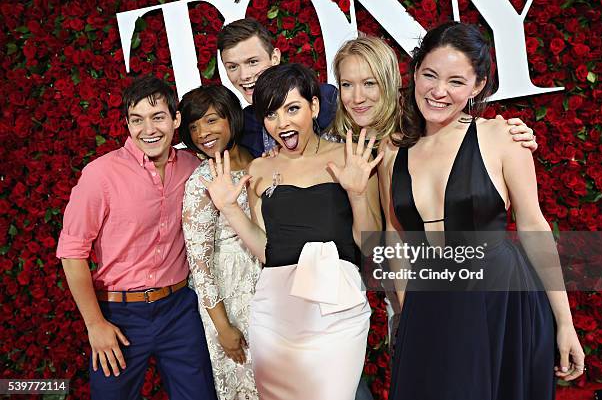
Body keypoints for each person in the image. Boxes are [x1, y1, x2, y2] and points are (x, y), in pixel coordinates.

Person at [373, 22, 584, 399]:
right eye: (430, 75)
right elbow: (397, 238)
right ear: (415, 72)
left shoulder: (502, 137)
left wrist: (565, 323)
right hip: (430, 303)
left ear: (478, 86)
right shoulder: (393, 152)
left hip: (500, 302)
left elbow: (534, 227)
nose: (439, 92)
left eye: (456, 81)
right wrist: (406, 313)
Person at [329, 35, 540, 351]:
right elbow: (377, 242)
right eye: (347, 85)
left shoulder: (415, 128)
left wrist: (515, 136)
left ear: (389, 82)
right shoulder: (343, 142)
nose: (358, 97)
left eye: (369, 83)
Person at [201, 63, 381, 400]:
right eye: (271, 114)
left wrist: (357, 193)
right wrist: (229, 207)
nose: (281, 122)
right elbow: (266, 249)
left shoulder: (350, 158)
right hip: (276, 311)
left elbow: (370, 247)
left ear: (314, 107)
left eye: (292, 108)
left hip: (336, 309)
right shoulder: (260, 168)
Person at [56, 76, 218, 400]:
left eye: (158, 117)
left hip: (179, 310)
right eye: (137, 120)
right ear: (127, 125)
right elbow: (72, 253)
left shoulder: (193, 167)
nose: (149, 129)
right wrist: (95, 325)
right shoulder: (100, 175)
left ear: (175, 119)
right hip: (119, 315)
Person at [179, 85, 261, 400]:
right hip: (229, 297)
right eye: (194, 126)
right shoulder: (201, 180)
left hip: (270, 290)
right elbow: (199, 264)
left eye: (211, 120)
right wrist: (223, 326)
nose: (202, 133)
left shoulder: (261, 161)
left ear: (231, 118)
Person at [217, 18, 338, 157]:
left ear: (275, 57)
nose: (244, 75)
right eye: (233, 67)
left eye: (252, 62)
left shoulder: (326, 97)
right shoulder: (245, 123)